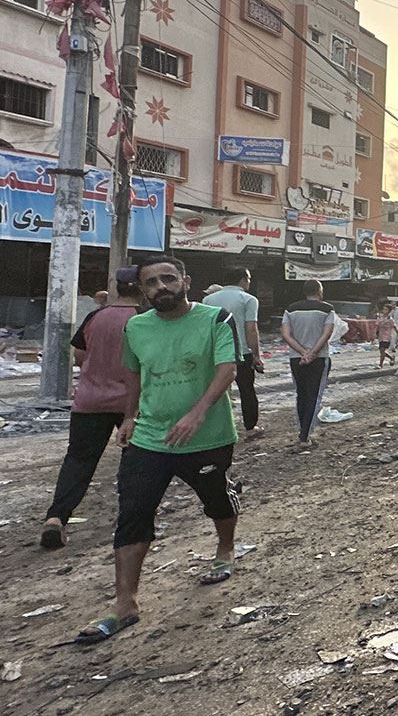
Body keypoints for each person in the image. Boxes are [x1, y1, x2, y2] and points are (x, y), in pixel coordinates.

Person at [75, 256, 241, 644]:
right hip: (149, 437)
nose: (161, 287)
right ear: (142, 290)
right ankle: (125, 604)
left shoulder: (216, 319)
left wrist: (198, 413)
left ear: (186, 281)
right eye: (151, 282)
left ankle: (225, 548)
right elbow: (134, 373)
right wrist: (129, 416)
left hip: (208, 436)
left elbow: (228, 369)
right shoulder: (136, 326)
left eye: (168, 278)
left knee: (215, 498)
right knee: (133, 512)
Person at [40, 266, 143, 550]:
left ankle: (56, 517)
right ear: (143, 288)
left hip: (89, 401)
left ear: (117, 287)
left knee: (78, 461)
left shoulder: (96, 316)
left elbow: (79, 355)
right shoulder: (145, 318)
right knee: (136, 461)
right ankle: (132, 516)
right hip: (132, 404)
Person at [203, 267, 265, 439]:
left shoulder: (208, 299)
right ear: (243, 280)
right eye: (249, 279)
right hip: (242, 352)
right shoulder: (248, 299)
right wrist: (256, 355)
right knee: (247, 390)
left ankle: (217, 429)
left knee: (217, 391)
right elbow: (251, 329)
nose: (249, 282)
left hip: (216, 352)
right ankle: (250, 428)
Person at [280, 281, 336, 446]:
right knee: (314, 395)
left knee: (301, 394)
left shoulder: (290, 309)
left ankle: (302, 431)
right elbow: (326, 334)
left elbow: (286, 335)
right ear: (319, 291)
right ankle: (305, 436)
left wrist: (302, 352)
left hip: (296, 358)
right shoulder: (327, 309)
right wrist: (312, 353)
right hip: (319, 358)